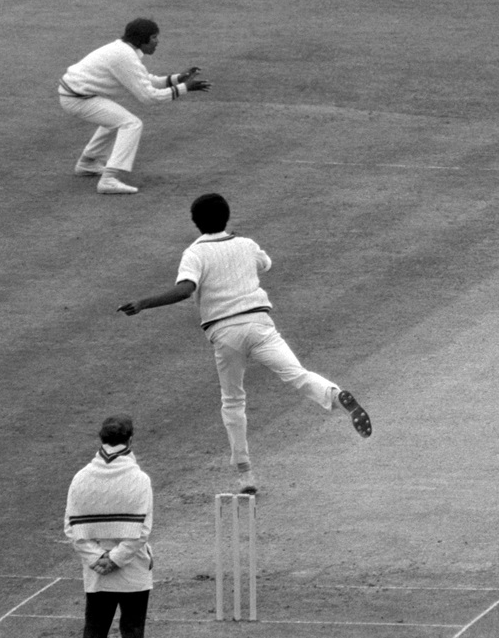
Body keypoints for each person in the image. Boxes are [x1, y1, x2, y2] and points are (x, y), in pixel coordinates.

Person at [117, 193, 371, 495]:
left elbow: (185, 290)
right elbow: (266, 264)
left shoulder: (194, 253)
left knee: (233, 400)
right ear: (226, 216)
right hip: (260, 324)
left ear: (195, 222)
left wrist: (143, 303)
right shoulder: (246, 244)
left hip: (225, 331)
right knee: (297, 374)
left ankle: (245, 474)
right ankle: (336, 395)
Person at [65, 414, 160, 638]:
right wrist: (116, 559)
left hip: (97, 573)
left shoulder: (81, 477)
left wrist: (98, 559)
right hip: (132, 571)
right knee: (132, 634)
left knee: (94, 633)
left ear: (101, 439)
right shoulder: (139, 479)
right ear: (130, 440)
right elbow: (141, 532)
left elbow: (72, 530)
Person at [58, 18, 211, 195]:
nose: (157, 42)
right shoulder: (124, 56)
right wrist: (185, 88)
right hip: (77, 98)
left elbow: (144, 80)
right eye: (154, 37)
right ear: (141, 39)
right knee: (131, 124)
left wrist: (177, 79)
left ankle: (88, 163)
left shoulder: (124, 51)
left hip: (77, 94)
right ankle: (108, 180)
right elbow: (149, 97)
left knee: (116, 120)